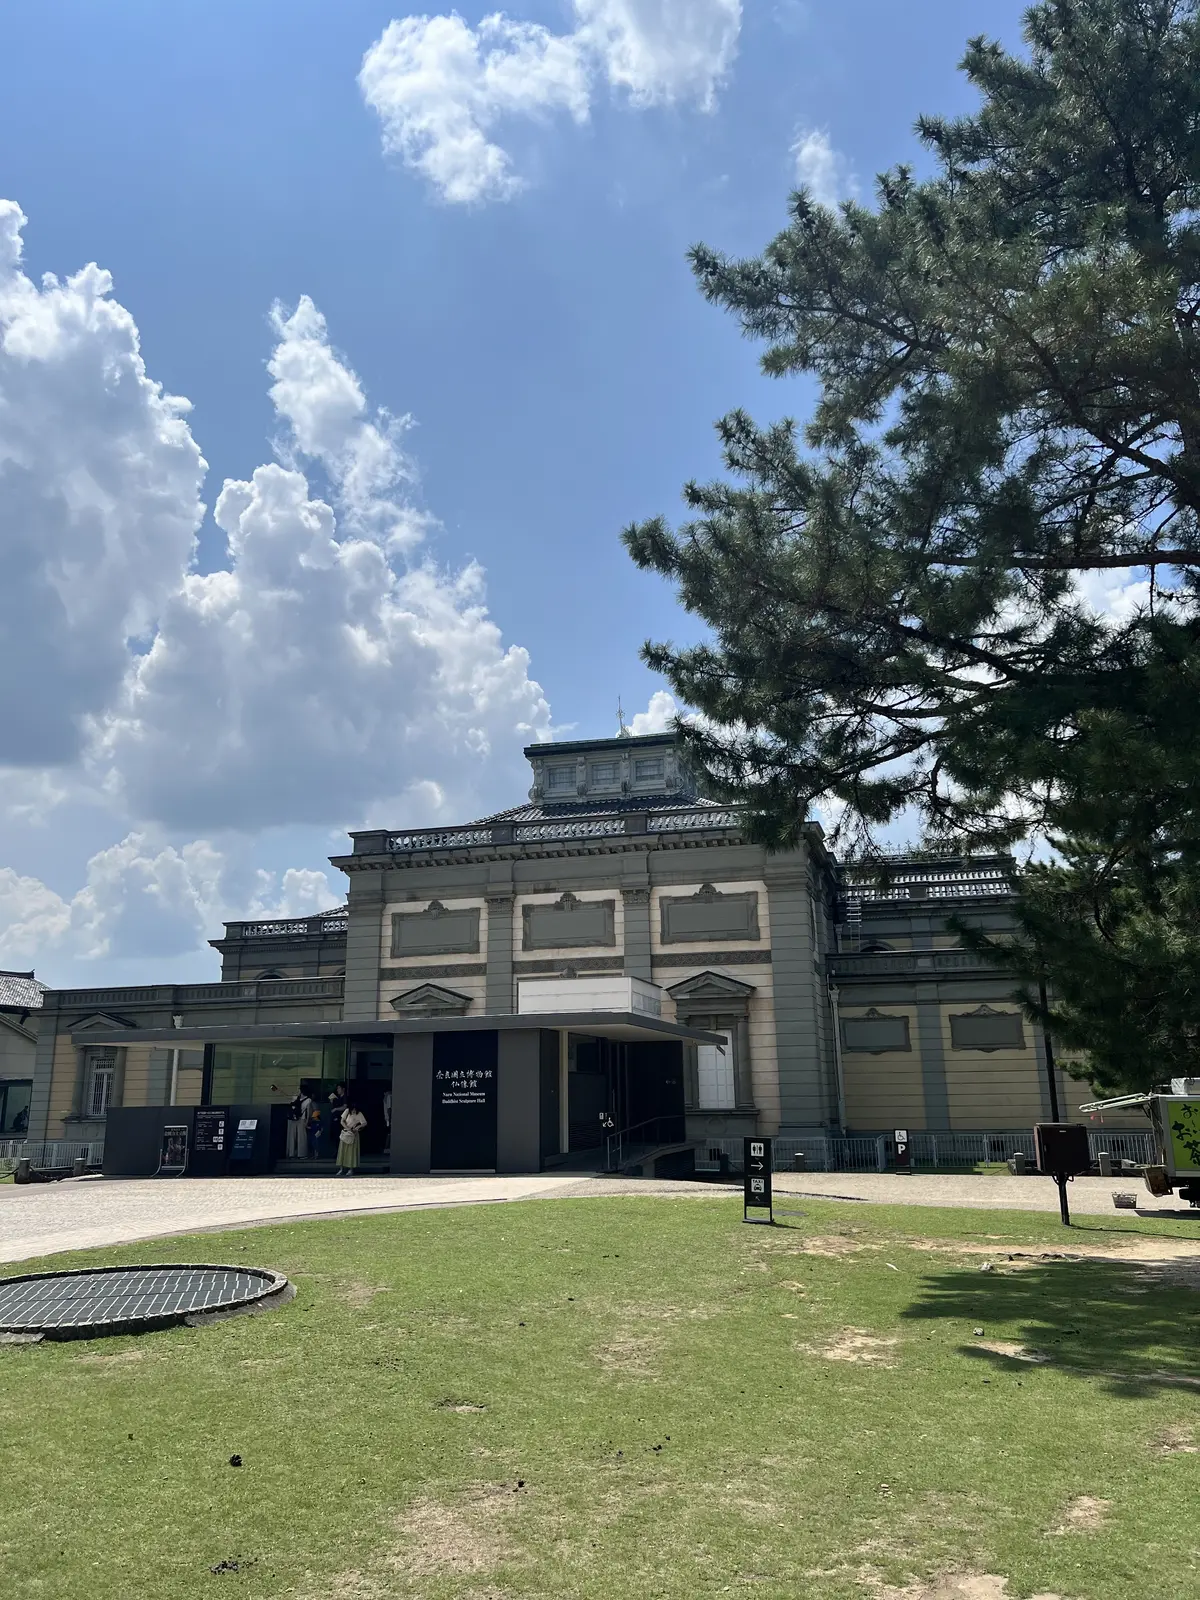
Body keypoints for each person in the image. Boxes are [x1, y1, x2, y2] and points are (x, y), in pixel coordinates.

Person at [336, 1102, 367, 1176]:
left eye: (355, 1110)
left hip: (353, 1134)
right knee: (342, 1151)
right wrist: (347, 1128)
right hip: (346, 1133)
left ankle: (351, 1169)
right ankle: (341, 1169)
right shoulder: (347, 1111)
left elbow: (364, 1123)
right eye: (352, 1109)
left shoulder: (359, 1114)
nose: (353, 1111)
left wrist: (357, 1127)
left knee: (351, 1153)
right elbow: (342, 1121)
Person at [286, 1087, 312, 1160]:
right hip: (302, 1119)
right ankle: (302, 1154)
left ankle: (291, 1153)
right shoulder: (308, 1100)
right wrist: (307, 1122)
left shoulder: (295, 1098)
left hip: (294, 1119)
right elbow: (308, 1112)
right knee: (302, 1137)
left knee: (292, 1136)